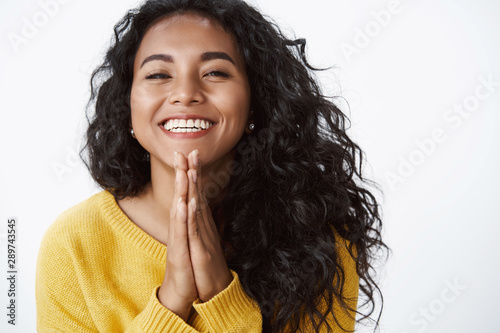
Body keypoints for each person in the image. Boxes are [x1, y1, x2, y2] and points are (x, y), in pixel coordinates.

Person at [36, 0, 387, 332]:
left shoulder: (321, 244)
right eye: (158, 74)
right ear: (128, 104)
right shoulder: (73, 244)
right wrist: (172, 300)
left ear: (255, 102)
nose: (185, 93)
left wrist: (222, 296)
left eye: (215, 72)